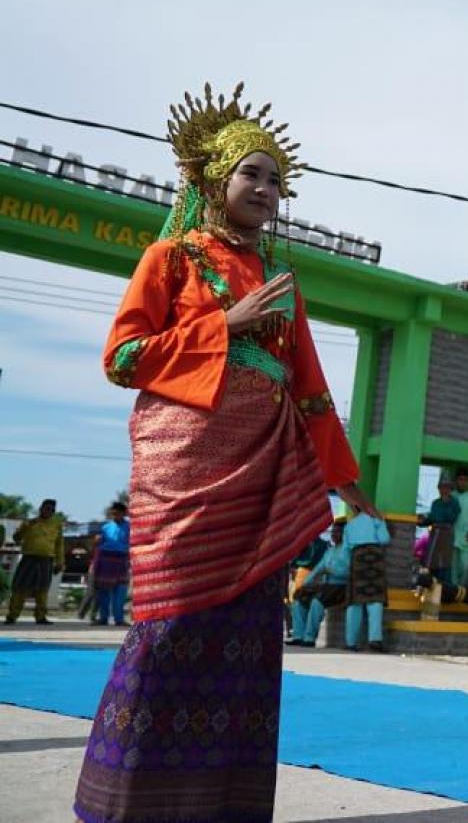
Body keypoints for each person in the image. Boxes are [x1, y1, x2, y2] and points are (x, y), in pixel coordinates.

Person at [74, 83, 373, 823]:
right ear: (213, 178)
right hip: (186, 462)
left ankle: (223, 804)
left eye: (276, 179)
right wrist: (225, 325)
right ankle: (128, 804)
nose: (266, 189)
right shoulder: (169, 257)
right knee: (170, 626)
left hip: (263, 468)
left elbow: (309, 389)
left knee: (247, 637)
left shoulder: (280, 282)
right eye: (252, 174)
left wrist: (342, 476)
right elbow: (122, 358)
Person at [288, 520, 351, 647]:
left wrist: (331, 571)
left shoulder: (348, 550)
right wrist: (304, 585)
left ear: (344, 534)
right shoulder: (329, 551)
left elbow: (347, 572)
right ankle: (298, 636)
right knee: (299, 598)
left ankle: (309, 638)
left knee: (317, 601)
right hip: (326, 587)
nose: (333, 535)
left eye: (337, 532)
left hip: (340, 586)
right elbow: (317, 570)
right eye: (333, 532)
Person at [4, 498, 63, 625]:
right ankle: (12, 616)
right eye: (46, 509)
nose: (48, 512)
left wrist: (60, 562)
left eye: (51, 510)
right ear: (40, 509)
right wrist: (25, 527)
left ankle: (40, 616)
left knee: (43, 589)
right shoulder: (30, 523)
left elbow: (59, 545)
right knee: (20, 587)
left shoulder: (56, 525)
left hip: (46, 559)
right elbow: (16, 538)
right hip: (29, 558)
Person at [342, 508, 390, 653]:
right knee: (375, 599)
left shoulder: (349, 525)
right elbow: (385, 539)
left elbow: (345, 551)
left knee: (355, 601)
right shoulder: (376, 519)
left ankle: (350, 642)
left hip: (357, 559)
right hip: (374, 558)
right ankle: (375, 639)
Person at [91, 502, 131, 626]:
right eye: (113, 513)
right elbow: (98, 544)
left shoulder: (131, 527)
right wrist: (96, 541)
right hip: (106, 560)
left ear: (124, 513)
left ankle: (119, 619)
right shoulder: (105, 527)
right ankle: (103, 618)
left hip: (122, 559)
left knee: (120, 591)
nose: (115, 516)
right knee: (104, 591)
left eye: (117, 513)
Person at [419, 474, 460, 588]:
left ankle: (445, 590)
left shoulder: (454, 503)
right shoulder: (435, 503)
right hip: (434, 536)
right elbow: (431, 518)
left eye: (447, 487)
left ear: (451, 489)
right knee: (432, 562)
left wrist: (446, 504)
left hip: (446, 536)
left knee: (444, 564)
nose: (444, 490)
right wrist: (421, 521)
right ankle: (430, 588)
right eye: (442, 487)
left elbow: (452, 518)